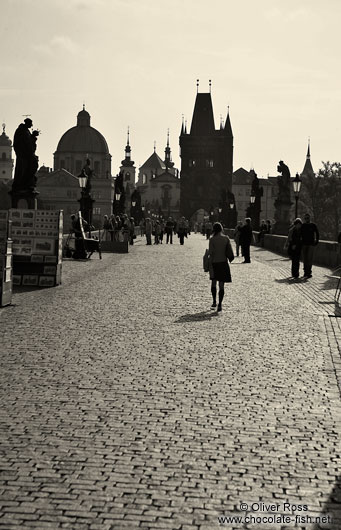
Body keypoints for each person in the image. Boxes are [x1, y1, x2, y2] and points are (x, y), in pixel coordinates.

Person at [208, 222, 234, 312]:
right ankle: (220, 304)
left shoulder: (212, 239)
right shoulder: (226, 238)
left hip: (214, 263)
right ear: (221, 228)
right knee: (221, 285)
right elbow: (229, 251)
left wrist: (208, 264)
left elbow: (211, 253)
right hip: (223, 263)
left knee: (214, 283)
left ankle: (214, 301)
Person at [12, 118, 39, 193]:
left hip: (27, 154)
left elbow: (29, 143)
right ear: (27, 123)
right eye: (31, 124)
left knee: (33, 166)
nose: (32, 125)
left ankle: (28, 183)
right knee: (24, 169)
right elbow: (23, 143)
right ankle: (24, 183)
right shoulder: (21, 131)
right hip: (23, 155)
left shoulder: (26, 131)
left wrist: (33, 137)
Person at [301, 213, 319, 278]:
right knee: (305, 259)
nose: (306, 219)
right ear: (304, 219)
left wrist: (316, 242)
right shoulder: (303, 226)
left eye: (307, 218)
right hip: (304, 244)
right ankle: (305, 272)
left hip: (311, 244)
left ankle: (308, 272)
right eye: (305, 218)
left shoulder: (313, 225)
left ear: (309, 218)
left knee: (309, 259)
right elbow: (300, 234)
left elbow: (317, 233)